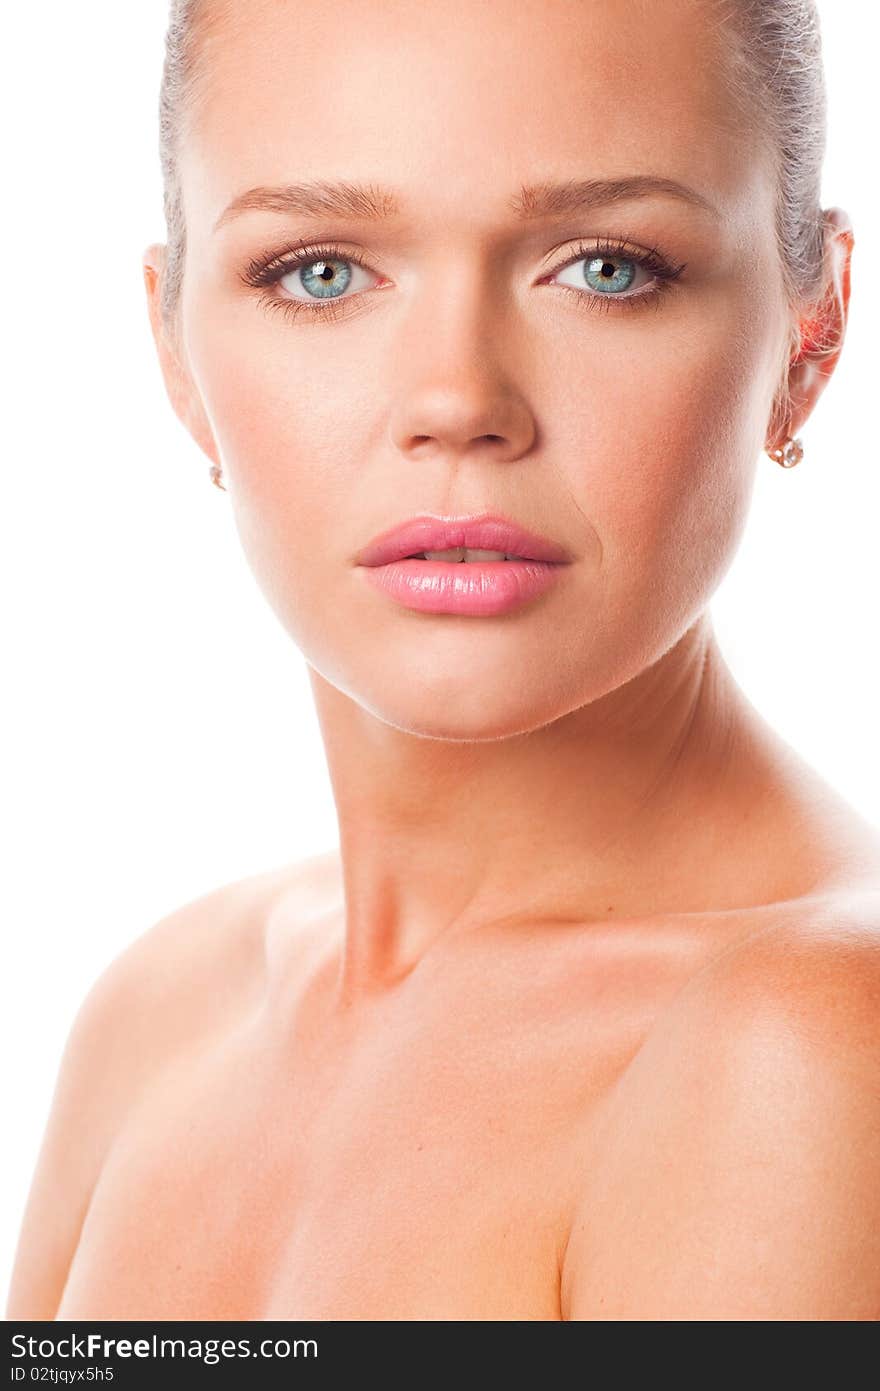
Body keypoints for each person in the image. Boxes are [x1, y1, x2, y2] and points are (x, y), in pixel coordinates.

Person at [7, 0, 879, 1322]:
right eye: (320, 272)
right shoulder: (161, 1016)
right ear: (174, 344)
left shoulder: (805, 1056)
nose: (460, 399)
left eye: (606, 266)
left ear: (810, 331)